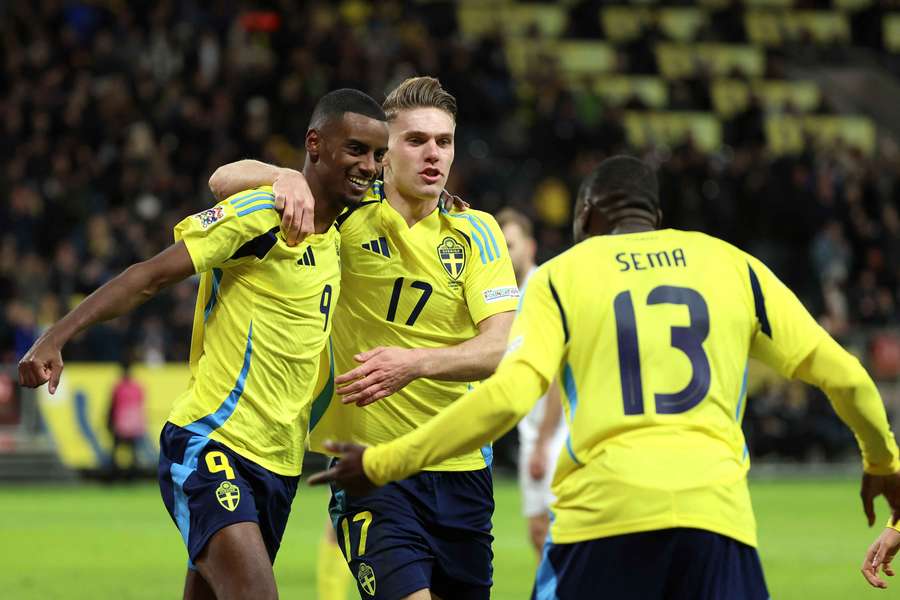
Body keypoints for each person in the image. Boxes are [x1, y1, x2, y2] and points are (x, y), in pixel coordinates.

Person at [310, 155, 900, 600]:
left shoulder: (563, 275)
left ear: (586, 216)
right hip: (717, 522)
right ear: (657, 218)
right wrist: (883, 463)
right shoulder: (731, 264)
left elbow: (508, 395)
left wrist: (384, 462)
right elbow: (845, 375)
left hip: (602, 523)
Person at [18, 88, 389, 600]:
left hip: (281, 463)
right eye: (355, 150)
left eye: (378, 155)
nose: (369, 166)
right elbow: (151, 275)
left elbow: (411, 193)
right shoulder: (262, 214)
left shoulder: (351, 223)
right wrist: (55, 336)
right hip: (213, 440)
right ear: (315, 143)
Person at [210, 76, 518, 600]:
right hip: (371, 469)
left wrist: (412, 364)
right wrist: (283, 175)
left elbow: (498, 349)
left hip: (461, 469)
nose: (433, 155)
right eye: (415, 140)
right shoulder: (344, 210)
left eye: (444, 142)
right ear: (384, 151)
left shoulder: (478, 231)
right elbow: (222, 180)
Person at [496, 207, 567, 558]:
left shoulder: (541, 293)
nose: (504, 255)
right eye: (499, 247)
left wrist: (542, 441)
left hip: (556, 430)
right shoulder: (502, 298)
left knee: (558, 531)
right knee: (540, 532)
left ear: (531, 248)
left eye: (510, 245)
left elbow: (556, 372)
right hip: (532, 427)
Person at [107, 357, 147, 480]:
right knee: (133, 453)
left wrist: (109, 421)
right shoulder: (137, 387)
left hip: (121, 423)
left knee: (116, 451)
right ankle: (132, 476)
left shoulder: (118, 387)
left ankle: (116, 476)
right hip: (134, 424)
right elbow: (140, 406)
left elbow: (112, 406)